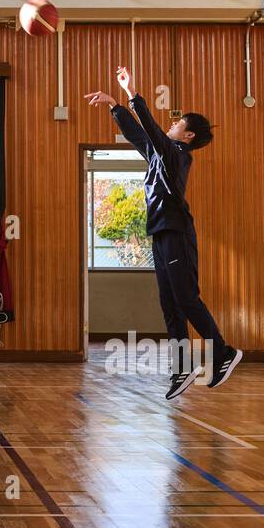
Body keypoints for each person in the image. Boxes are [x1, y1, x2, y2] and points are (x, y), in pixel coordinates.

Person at [85, 66, 242, 399]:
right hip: (160, 233)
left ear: (188, 136)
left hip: (176, 233)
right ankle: (182, 368)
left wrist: (132, 93)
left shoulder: (178, 155)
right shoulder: (161, 155)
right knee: (169, 304)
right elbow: (141, 137)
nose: (173, 123)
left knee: (186, 298)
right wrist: (115, 105)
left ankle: (224, 352)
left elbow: (153, 133)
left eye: (179, 122)